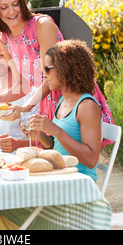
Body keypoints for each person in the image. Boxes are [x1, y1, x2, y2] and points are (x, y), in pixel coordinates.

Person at [0, 0, 113, 129]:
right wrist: (1, 98)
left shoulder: (42, 26)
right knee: (49, 151)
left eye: (15, 4)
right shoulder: (4, 39)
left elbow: (49, 76)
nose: (12, 11)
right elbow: (23, 83)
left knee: (76, 150)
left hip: (72, 98)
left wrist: (25, 108)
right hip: (46, 102)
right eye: (4, 7)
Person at [25, 40, 102, 181]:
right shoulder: (63, 101)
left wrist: (56, 130)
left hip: (79, 181)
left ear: (65, 69)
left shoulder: (87, 106)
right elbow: (59, 148)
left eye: (47, 69)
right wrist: (40, 136)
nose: (44, 75)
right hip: (60, 176)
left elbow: (91, 160)